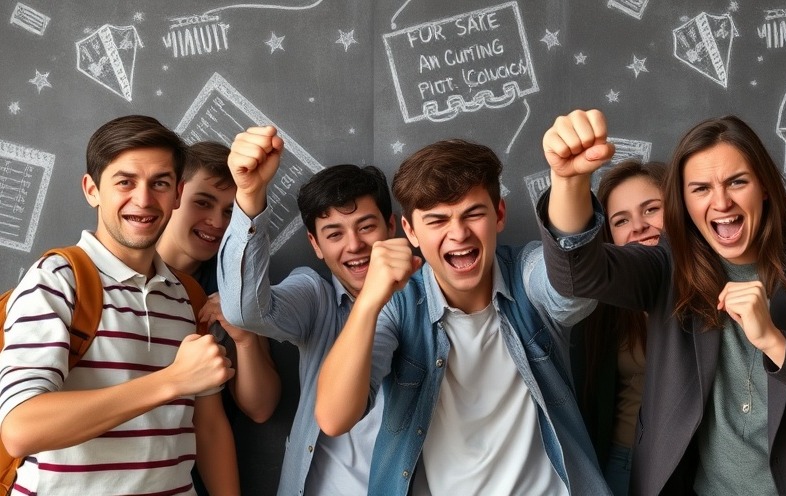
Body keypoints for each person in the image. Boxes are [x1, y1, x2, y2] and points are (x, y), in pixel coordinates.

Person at [539, 109, 786, 495]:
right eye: (700, 189)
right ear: (683, 202)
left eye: (737, 182)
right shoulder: (668, 269)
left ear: (764, 187)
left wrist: (775, 342)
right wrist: (568, 180)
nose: (721, 202)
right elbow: (576, 274)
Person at [315, 138, 610, 495]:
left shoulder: (528, 270)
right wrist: (367, 303)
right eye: (437, 220)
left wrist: (569, 181)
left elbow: (571, 297)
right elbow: (334, 418)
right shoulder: (399, 305)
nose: (458, 234)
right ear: (410, 231)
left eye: (473, 214)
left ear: (499, 215)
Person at [0, 115, 238, 495]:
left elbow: (208, 428)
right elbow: (20, 429)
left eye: (159, 183)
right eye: (125, 182)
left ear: (177, 194)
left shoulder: (189, 296)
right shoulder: (58, 279)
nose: (143, 199)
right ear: (92, 190)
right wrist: (172, 380)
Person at [217, 125, 395, 495]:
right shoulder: (315, 295)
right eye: (334, 234)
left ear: (391, 227)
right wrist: (249, 195)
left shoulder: (431, 302)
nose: (354, 246)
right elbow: (245, 312)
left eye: (366, 227)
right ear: (315, 244)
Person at [155, 141, 281, 494]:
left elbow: (260, 408)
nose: (216, 222)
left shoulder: (234, 286)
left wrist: (243, 334)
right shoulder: (105, 273)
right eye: (203, 202)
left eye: (230, 212)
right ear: (174, 195)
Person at [570, 159, 666, 496]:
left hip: (702, 466)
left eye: (651, 209)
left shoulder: (718, 285)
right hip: (626, 462)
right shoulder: (603, 307)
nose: (638, 226)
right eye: (621, 220)